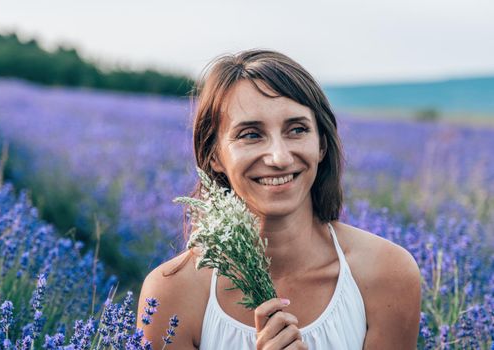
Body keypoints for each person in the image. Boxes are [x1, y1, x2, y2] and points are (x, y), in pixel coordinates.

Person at [138, 49, 421, 349]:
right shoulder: (172, 293)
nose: (279, 157)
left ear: (321, 145)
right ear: (215, 155)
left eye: (297, 130)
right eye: (250, 134)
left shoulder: (386, 273)